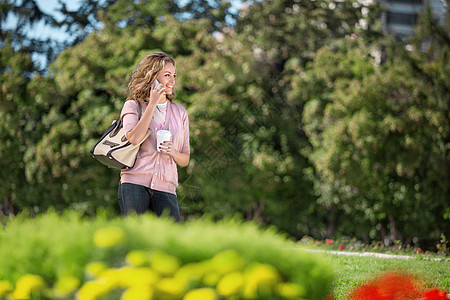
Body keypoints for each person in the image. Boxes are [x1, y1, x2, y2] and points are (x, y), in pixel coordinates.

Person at [117, 52, 190, 222]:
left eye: (174, 75)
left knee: (170, 243)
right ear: (152, 76)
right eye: (167, 75)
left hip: (167, 188)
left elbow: (185, 159)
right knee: (136, 240)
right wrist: (151, 104)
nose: (172, 80)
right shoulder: (133, 105)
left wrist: (173, 152)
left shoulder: (180, 113)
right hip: (134, 184)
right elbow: (133, 138)